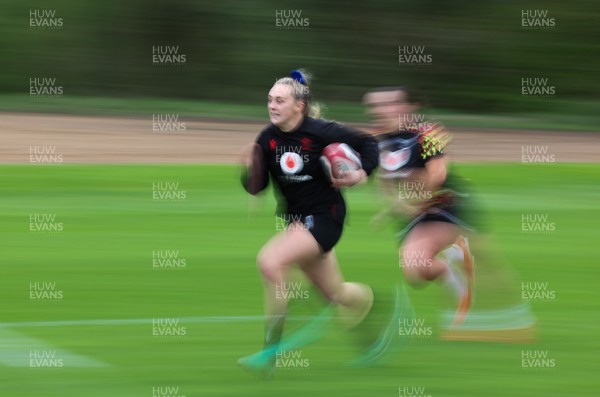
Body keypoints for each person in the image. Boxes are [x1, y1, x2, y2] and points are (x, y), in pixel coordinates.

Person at [363, 86, 535, 345]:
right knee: (415, 274)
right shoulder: (379, 139)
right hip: (414, 212)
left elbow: (439, 173)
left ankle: (519, 319)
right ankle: (455, 267)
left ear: (409, 107)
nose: (383, 110)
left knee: (487, 261)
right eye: (377, 106)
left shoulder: (427, 133)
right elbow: (384, 177)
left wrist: (417, 199)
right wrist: (392, 205)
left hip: (446, 204)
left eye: (391, 103)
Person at [238, 69, 380, 376]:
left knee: (270, 261)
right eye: (269, 100)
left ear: (298, 106)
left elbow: (369, 144)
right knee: (335, 295)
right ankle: (368, 302)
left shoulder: (322, 131)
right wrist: (249, 168)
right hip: (297, 224)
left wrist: (361, 173)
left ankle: (269, 352)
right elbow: (256, 187)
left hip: (326, 219)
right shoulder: (267, 138)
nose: (272, 106)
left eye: (279, 100)